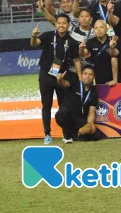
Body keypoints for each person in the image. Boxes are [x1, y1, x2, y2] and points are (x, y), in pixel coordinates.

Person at [30, 13, 82, 145]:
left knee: (64, 107)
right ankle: (47, 134)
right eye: (59, 23)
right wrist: (34, 35)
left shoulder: (72, 41)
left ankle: (66, 134)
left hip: (61, 77)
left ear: (68, 25)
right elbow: (34, 43)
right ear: (56, 24)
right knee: (46, 106)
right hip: (46, 76)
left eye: (64, 23)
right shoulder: (48, 36)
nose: (61, 25)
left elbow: (76, 60)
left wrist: (80, 77)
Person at [54, 66, 100, 143]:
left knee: (96, 135)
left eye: (90, 74)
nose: (87, 76)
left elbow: (91, 113)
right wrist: (60, 80)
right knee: (62, 113)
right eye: (85, 74)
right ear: (81, 75)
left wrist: (89, 125)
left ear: (93, 77)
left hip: (79, 118)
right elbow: (64, 84)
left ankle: (76, 134)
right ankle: (67, 136)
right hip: (67, 115)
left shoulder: (93, 93)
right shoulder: (74, 82)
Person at [84, 20, 118, 85]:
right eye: (96, 28)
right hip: (98, 76)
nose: (99, 30)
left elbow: (114, 58)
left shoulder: (113, 41)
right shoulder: (90, 42)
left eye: (101, 27)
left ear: (106, 29)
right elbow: (83, 54)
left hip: (113, 76)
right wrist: (81, 49)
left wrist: (114, 79)